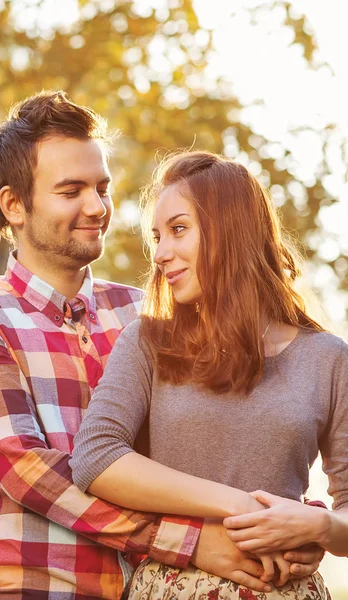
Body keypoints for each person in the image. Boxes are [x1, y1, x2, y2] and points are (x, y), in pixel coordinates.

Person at [0, 92, 323, 599]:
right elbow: (26, 470)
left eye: (102, 188)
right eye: (70, 191)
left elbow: (231, 436)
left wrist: (296, 525)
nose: (96, 207)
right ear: (14, 205)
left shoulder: (151, 315)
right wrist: (192, 542)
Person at [71, 150, 347, 599]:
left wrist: (316, 524)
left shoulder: (328, 358)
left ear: (232, 230)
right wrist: (239, 504)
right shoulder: (147, 343)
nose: (160, 253)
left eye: (178, 230)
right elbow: (96, 457)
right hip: (174, 587)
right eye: (157, 237)